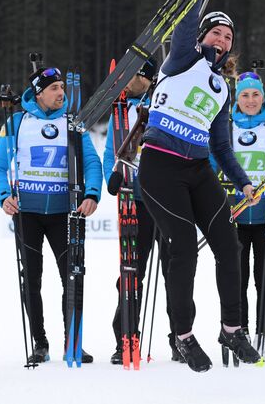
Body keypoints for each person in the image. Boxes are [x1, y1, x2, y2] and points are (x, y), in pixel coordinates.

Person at [136, 0, 262, 374]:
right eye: (217, 32)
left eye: (228, 37)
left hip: (198, 169)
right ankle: (183, 336)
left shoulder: (222, 88)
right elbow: (187, 16)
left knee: (229, 244)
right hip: (159, 166)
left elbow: (222, 147)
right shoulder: (182, 58)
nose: (222, 40)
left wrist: (243, 180)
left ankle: (231, 329)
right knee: (184, 247)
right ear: (204, 36)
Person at [0, 66, 103, 364]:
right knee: (32, 280)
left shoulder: (73, 123)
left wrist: (92, 193)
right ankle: (40, 342)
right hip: (28, 214)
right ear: (39, 93)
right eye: (54, 88)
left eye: (63, 87)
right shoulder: (16, 122)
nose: (61, 92)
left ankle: (72, 341)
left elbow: (91, 162)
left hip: (65, 213)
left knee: (72, 278)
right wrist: (4, 196)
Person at [211, 71, 265, 358]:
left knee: (264, 279)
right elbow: (210, 171)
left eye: (256, 94)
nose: (251, 100)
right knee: (235, 277)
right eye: (245, 95)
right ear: (236, 99)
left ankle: (264, 331)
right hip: (233, 216)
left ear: (264, 96)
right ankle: (239, 330)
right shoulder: (224, 128)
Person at [102, 58, 182, 364]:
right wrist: (115, 173)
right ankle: (125, 336)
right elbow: (113, 149)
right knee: (131, 273)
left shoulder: (164, 104)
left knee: (175, 271)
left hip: (168, 200)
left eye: (132, 76)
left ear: (146, 79)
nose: (126, 81)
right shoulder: (120, 110)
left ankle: (180, 337)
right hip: (135, 201)